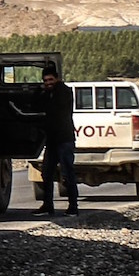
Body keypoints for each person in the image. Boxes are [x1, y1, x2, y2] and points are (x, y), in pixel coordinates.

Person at [36, 64, 79, 215]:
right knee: (46, 173)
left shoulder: (64, 92)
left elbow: (55, 109)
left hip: (64, 139)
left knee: (67, 173)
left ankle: (73, 206)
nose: (48, 82)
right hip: (53, 141)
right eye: (46, 80)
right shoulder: (48, 94)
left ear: (57, 79)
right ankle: (48, 205)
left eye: (51, 79)